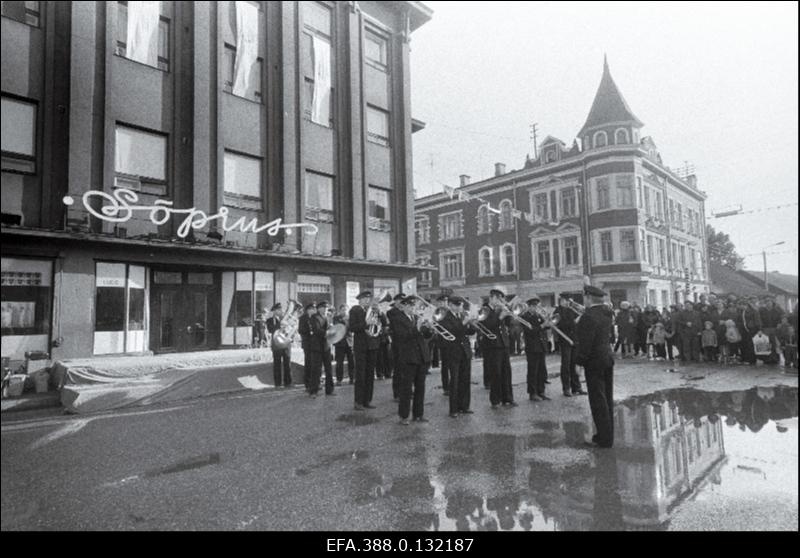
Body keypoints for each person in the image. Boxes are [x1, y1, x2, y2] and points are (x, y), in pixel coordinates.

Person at [574, 285, 615, 448]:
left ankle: (603, 439)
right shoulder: (606, 313)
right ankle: (608, 434)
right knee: (607, 398)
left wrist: (579, 362)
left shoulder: (588, 316)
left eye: (585, 297)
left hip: (594, 361)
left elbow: (586, 344)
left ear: (588, 298)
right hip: (607, 357)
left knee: (598, 400)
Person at [388, 295, 433, 424]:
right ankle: (404, 416)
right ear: (404, 307)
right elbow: (402, 336)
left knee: (420, 387)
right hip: (408, 357)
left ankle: (418, 414)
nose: (413, 308)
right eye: (410, 305)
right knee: (406, 389)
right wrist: (417, 327)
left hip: (421, 356)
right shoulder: (398, 319)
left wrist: (429, 328)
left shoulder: (417, 318)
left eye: (414, 305)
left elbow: (426, 336)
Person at [437, 296, 475, 417]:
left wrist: (472, 324)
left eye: (461, 305)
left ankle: (464, 406)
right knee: (455, 381)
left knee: (465, 380)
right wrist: (464, 323)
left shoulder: (462, 316)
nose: (460, 307)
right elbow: (454, 332)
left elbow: (470, 332)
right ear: (451, 305)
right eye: (458, 305)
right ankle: (453, 409)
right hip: (453, 352)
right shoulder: (445, 318)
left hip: (465, 351)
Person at [483, 289, 517, 409]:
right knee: (496, 373)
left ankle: (508, 398)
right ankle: (495, 400)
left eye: (501, 298)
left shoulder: (499, 309)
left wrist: (508, 313)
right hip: (493, 345)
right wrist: (500, 316)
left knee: (506, 372)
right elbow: (488, 325)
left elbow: (508, 323)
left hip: (503, 343)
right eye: (498, 298)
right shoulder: (485, 310)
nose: (500, 301)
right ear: (491, 298)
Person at [349, 291, 379, 410]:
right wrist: (366, 323)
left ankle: (367, 400)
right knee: (360, 375)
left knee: (370, 374)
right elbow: (352, 327)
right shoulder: (355, 310)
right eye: (365, 299)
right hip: (361, 346)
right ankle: (358, 402)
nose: (367, 301)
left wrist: (379, 316)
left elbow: (379, 324)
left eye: (369, 299)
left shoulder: (372, 310)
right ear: (360, 300)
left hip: (372, 345)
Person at [552, 293, 585, 396]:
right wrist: (576, 320)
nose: (568, 303)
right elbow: (561, 325)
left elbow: (580, 322)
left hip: (575, 339)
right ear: (561, 300)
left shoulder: (571, 310)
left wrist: (581, 316)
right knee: (566, 365)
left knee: (575, 363)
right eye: (566, 300)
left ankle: (576, 387)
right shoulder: (557, 312)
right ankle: (566, 388)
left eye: (569, 301)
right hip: (565, 340)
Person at [521, 296, 550, 402]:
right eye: (534, 306)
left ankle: (541, 391)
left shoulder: (539, 315)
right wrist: (542, 325)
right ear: (529, 306)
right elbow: (530, 331)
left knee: (542, 370)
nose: (536, 308)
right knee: (533, 371)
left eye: (537, 306)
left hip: (541, 346)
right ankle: (532, 393)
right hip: (532, 347)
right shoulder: (525, 317)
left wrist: (548, 321)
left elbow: (546, 326)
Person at [298, 303, 322, 397]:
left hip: (316, 344)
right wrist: (310, 331)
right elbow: (301, 330)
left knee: (316, 365)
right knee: (308, 364)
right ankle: (307, 384)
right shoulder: (303, 318)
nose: (313, 310)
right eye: (311, 308)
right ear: (307, 310)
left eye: (314, 308)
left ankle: (316, 383)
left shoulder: (316, 317)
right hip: (308, 344)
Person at [266, 303, 292, 388]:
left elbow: (292, 329)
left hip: (286, 344)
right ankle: (277, 384)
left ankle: (288, 383)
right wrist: (281, 323)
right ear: (274, 311)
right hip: (276, 344)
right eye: (278, 310)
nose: (281, 311)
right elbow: (271, 330)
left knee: (287, 363)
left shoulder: (287, 319)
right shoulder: (269, 320)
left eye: (281, 309)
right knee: (277, 364)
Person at [387, 293, 406, 400]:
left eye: (403, 301)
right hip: (397, 343)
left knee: (407, 368)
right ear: (396, 301)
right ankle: (397, 393)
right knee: (398, 369)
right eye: (400, 301)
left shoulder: (405, 311)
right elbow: (396, 323)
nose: (402, 303)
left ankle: (407, 390)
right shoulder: (391, 312)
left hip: (407, 343)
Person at [314, 301, 336, 395]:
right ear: (319, 308)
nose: (326, 309)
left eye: (327, 308)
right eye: (324, 307)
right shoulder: (315, 318)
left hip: (326, 346)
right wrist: (327, 332)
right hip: (317, 346)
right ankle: (313, 390)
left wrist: (332, 329)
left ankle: (329, 390)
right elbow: (316, 330)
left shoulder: (327, 318)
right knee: (317, 369)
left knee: (328, 369)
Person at [434, 294, 451, 395]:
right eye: (441, 302)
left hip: (453, 342)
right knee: (445, 366)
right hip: (443, 342)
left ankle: (453, 385)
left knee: (453, 365)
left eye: (445, 302)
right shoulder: (436, 312)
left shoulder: (451, 312)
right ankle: (446, 387)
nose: (443, 304)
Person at [333, 304, 354, 385]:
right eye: (343, 310)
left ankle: (352, 378)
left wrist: (347, 322)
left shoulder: (351, 318)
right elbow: (337, 328)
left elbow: (352, 329)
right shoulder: (336, 318)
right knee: (339, 362)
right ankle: (339, 380)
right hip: (339, 343)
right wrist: (344, 322)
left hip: (349, 342)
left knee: (351, 362)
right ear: (340, 310)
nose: (344, 311)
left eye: (346, 310)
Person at [737, 298, 761, 365]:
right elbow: (739, 320)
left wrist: (759, 329)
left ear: (745, 305)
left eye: (741, 305)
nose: (741, 307)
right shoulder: (741, 311)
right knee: (744, 344)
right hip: (744, 330)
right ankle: (745, 358)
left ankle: (751, 359)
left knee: (751, 345)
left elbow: (757, 320)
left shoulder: (753, 311)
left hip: (752, 329)